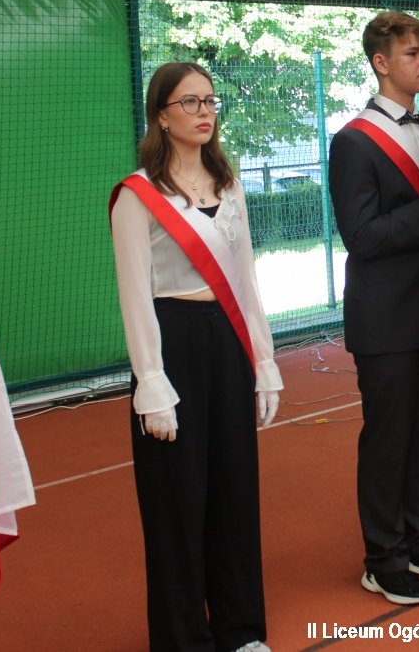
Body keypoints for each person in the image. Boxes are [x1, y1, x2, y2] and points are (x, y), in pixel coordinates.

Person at [110, 61, 281, 652]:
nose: (204, 111)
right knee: (177, 502)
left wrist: (264, 362)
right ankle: (184, 639)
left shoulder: (228, 185)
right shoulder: (137, 196)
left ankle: (240, 629)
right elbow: (135, 294)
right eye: (189, 102)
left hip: (227, 339)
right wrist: (150, 381)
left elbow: (246, 281)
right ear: (161, 115)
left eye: (209, 101)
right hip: (172, 343)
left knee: (235, 491)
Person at [327, 11, 419, 606]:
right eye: (413, 53)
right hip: (386, 317)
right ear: (381, 62)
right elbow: (362, 237)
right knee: (389, 441)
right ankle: (382, 557)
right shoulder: (353, 142)